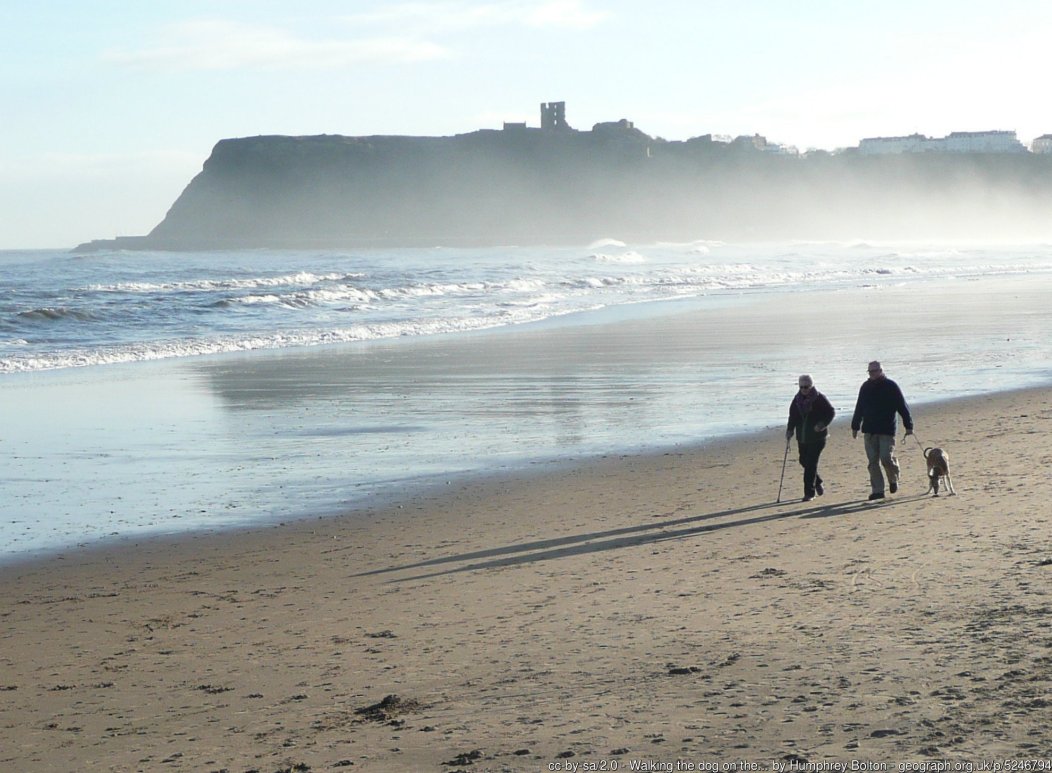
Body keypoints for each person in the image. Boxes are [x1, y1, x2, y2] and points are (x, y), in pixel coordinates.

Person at [850, 360, 914, 500]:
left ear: (881, 371)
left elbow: (902, 406)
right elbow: (859, 407)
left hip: (886, 430)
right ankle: (878, 490)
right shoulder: (865, 387)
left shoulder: (891, 386)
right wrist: (855, 426)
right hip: (869, 431)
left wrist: (908, 425)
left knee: (886, 458)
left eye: (874, 371)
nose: (872, 374)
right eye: (870, 371)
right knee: (873, 462)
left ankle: (893, 478)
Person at [785, 374, 836, 502]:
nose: (804, 389)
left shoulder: (819, 398)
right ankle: (818, 482)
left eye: (806, 387)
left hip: (818, 438)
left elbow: (831, 412)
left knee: (811, 465)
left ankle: (809, 493)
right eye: (801, 387)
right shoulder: (796, 400)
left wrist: (822, 425)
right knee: (803, 461)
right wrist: (790, 430)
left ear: (811, 385)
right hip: (802, 438)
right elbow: (792, 417)